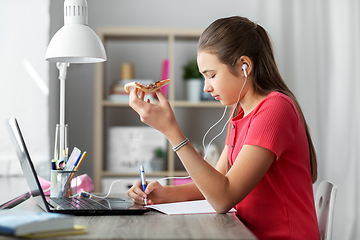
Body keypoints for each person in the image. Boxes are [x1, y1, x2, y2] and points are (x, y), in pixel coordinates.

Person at [127, 16, 320, 240]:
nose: (207, 87)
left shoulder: (275, 109)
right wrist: (163, 194)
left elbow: (222, 197)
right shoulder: (240, 113)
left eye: (211, 75)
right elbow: (216, 182)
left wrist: (171, 131)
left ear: (244, 66)